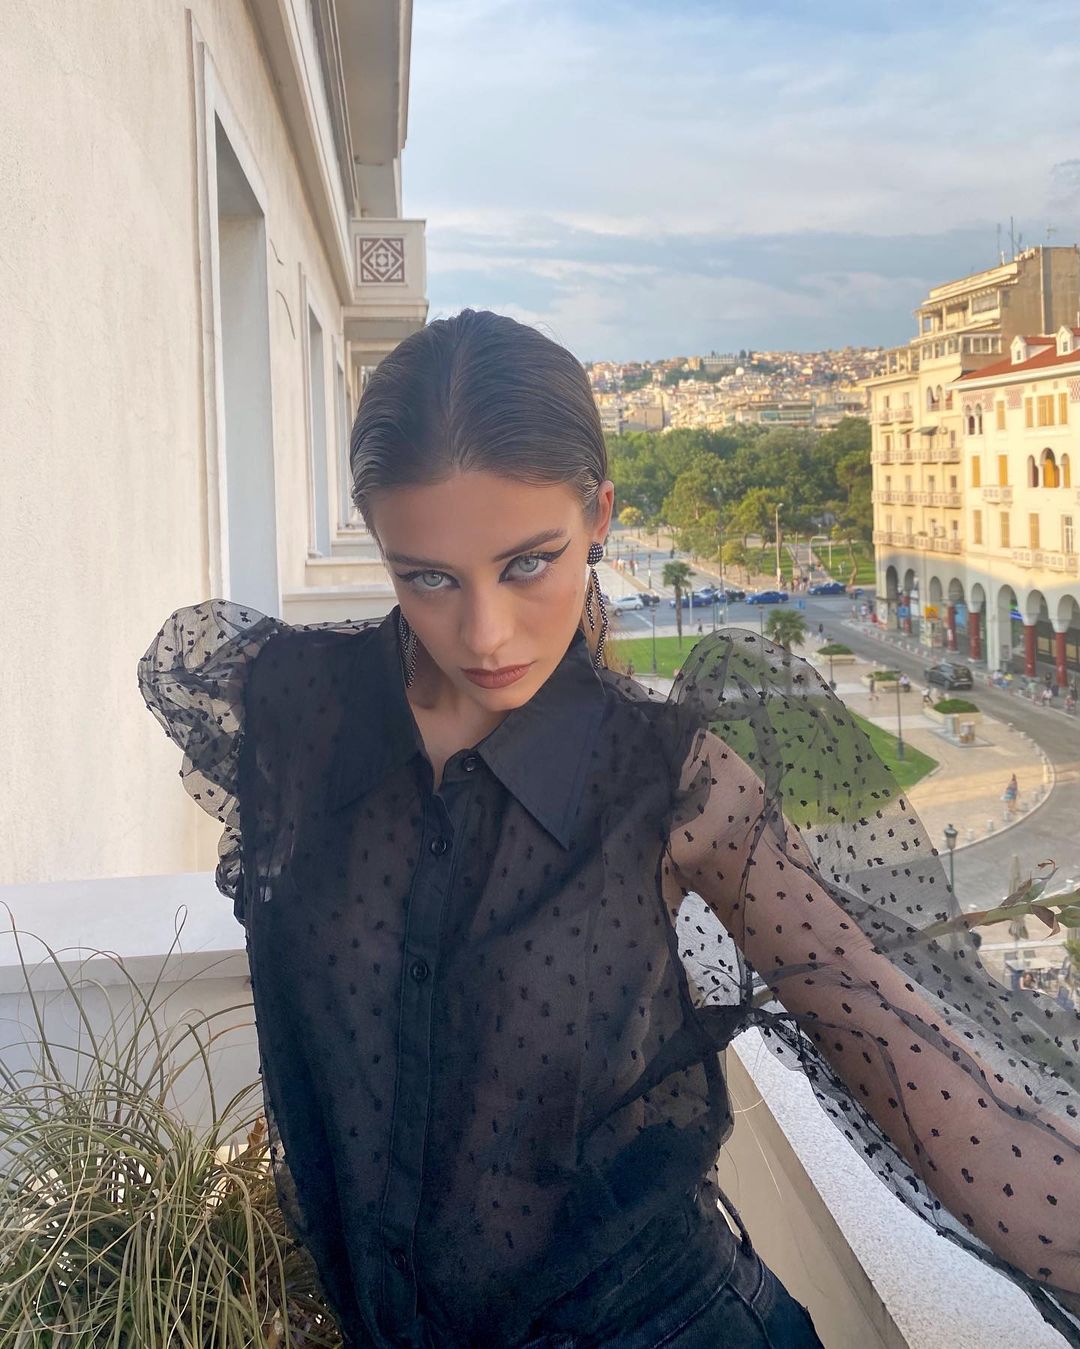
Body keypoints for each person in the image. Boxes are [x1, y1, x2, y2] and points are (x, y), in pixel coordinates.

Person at [139, 310, 1080, 1348]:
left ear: (599, 519)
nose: (484, 634)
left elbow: (915, 1065)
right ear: (379, 539)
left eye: (528, 563)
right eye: (429, 577)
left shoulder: (672, 780)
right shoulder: (292, 712)